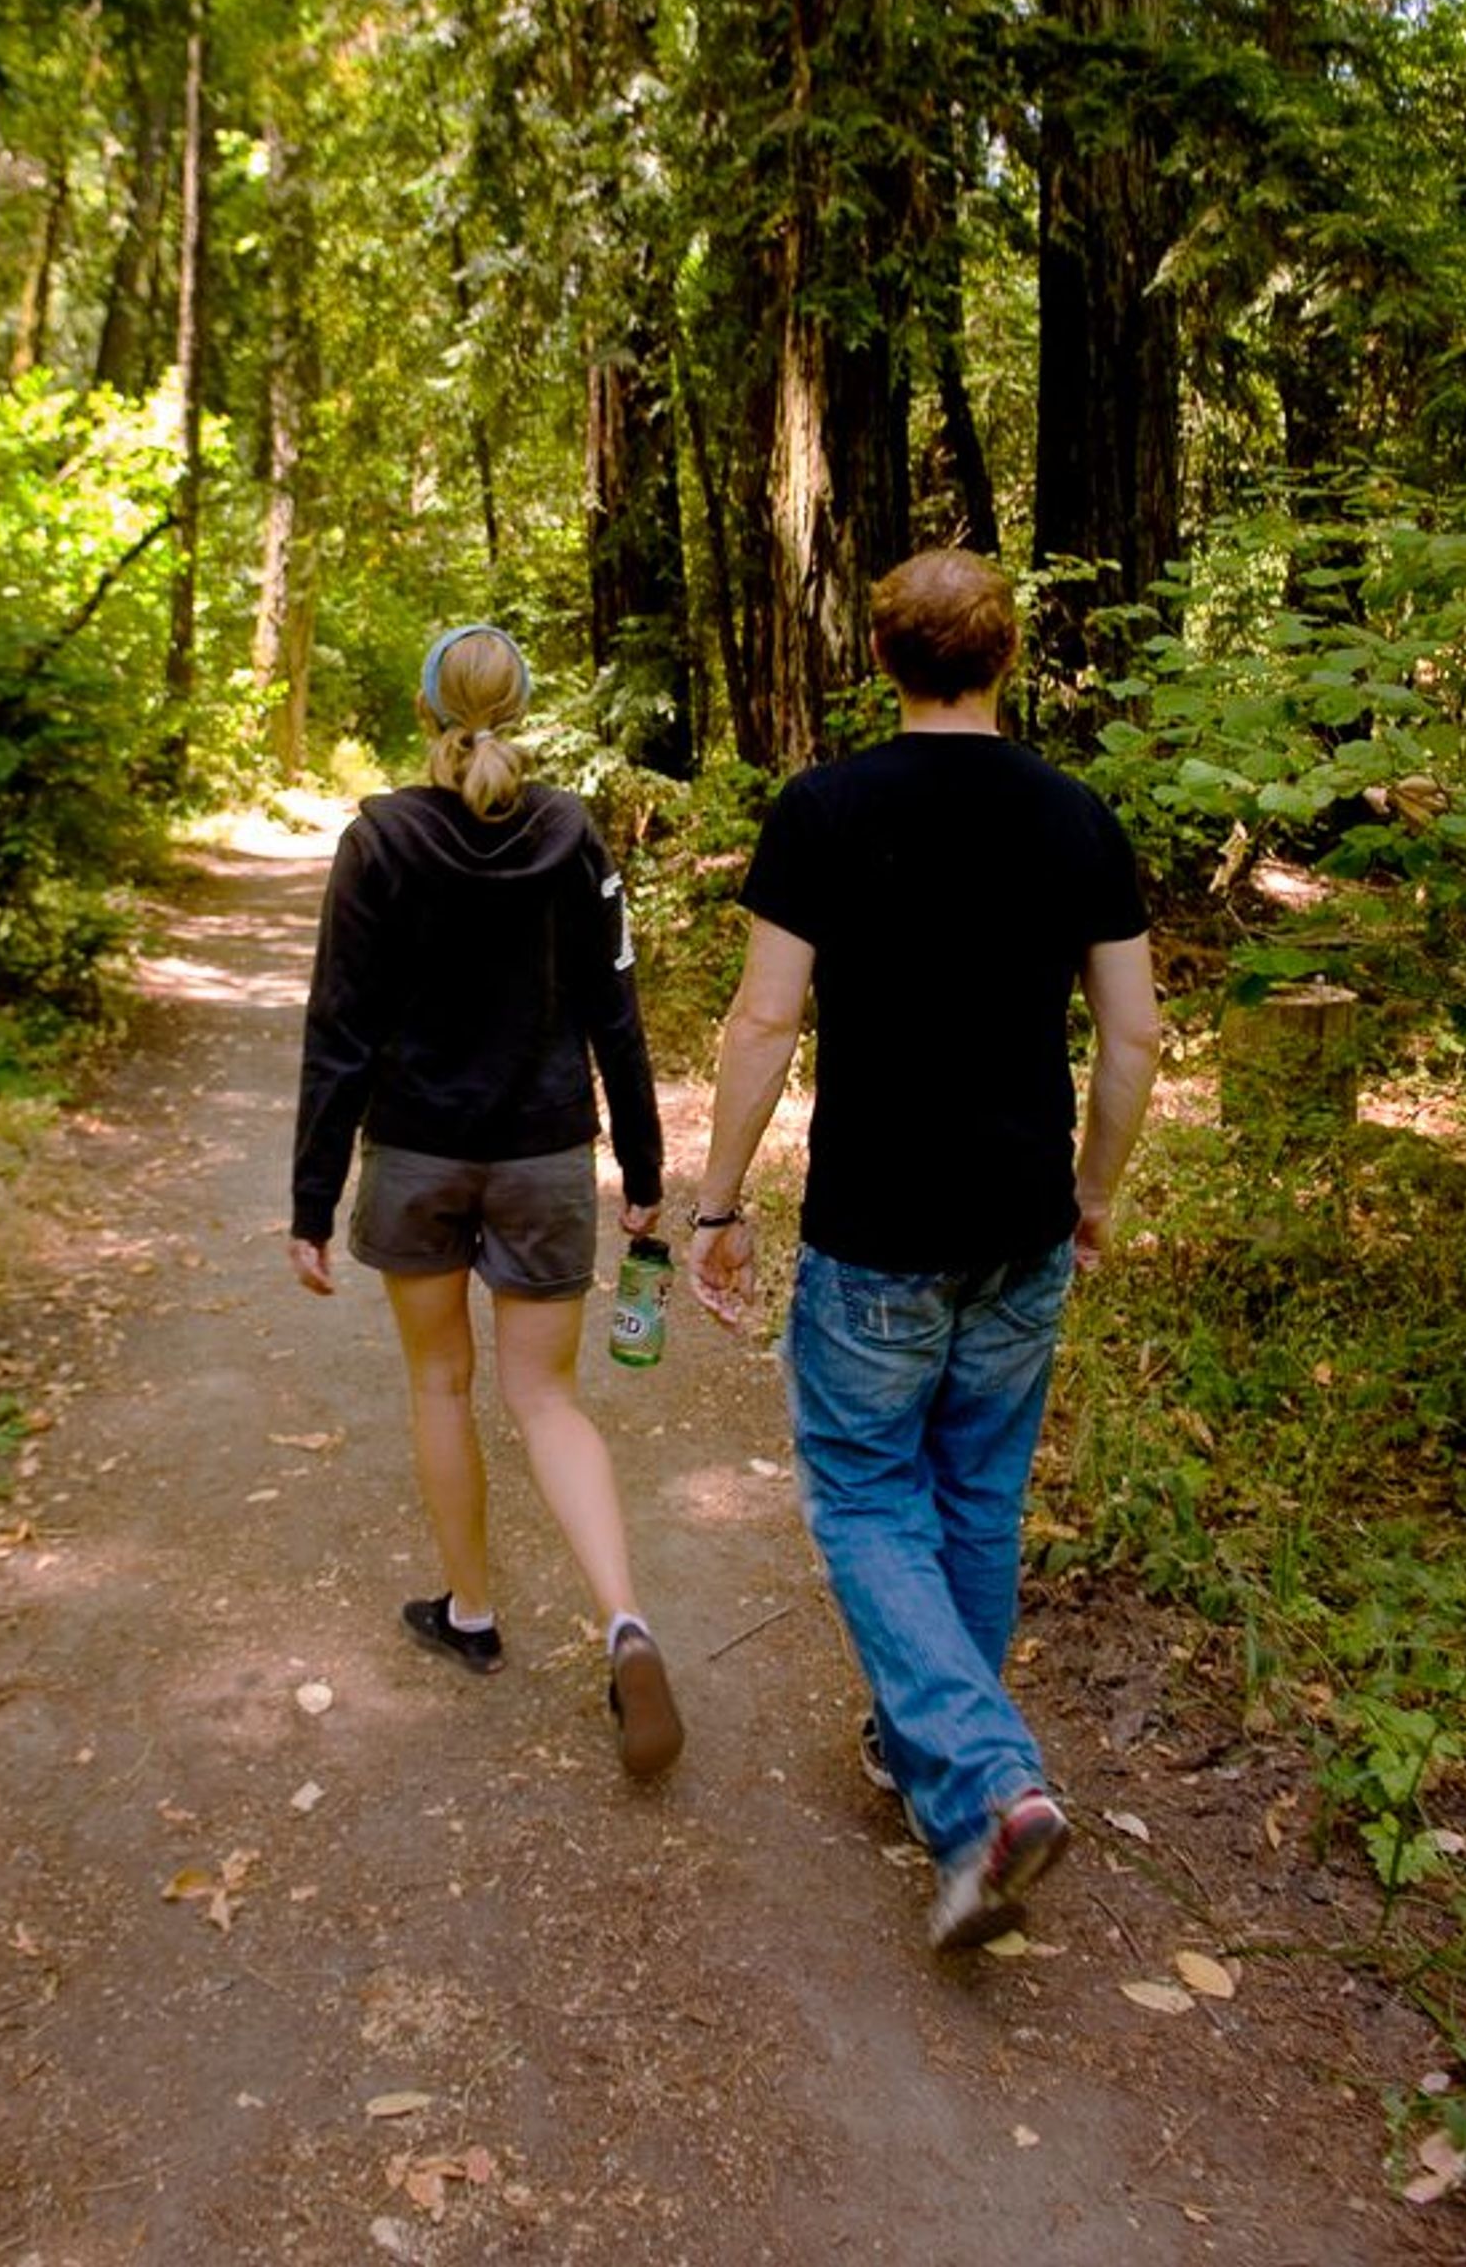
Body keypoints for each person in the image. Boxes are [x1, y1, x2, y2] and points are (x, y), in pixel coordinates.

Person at [688, 550, 1159, 1949]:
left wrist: (716, 1207)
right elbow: (1133, 1036)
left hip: (877, 1234)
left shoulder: (825, 810)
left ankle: (984, 1782)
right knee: (976, 1495)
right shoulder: (1078, 819)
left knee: (867, 1501)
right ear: (1004, 657)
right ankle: (927, 1753)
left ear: (883, 658)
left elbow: (764, 1023)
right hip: (1020, 1227)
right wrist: (1095, 1190)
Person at [289, 623, 684, 1780]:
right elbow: (618, 1012)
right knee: (548, 1399)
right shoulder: (572, 834)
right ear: (524, 709)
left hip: (415, 1153)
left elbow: (340, 1030)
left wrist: (313, 1201)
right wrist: (647, 1174)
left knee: (440, 1382)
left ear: (429, 712)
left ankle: (470, 1610)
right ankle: (625, 1622)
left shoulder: (379, 839)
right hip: (544, 1156)